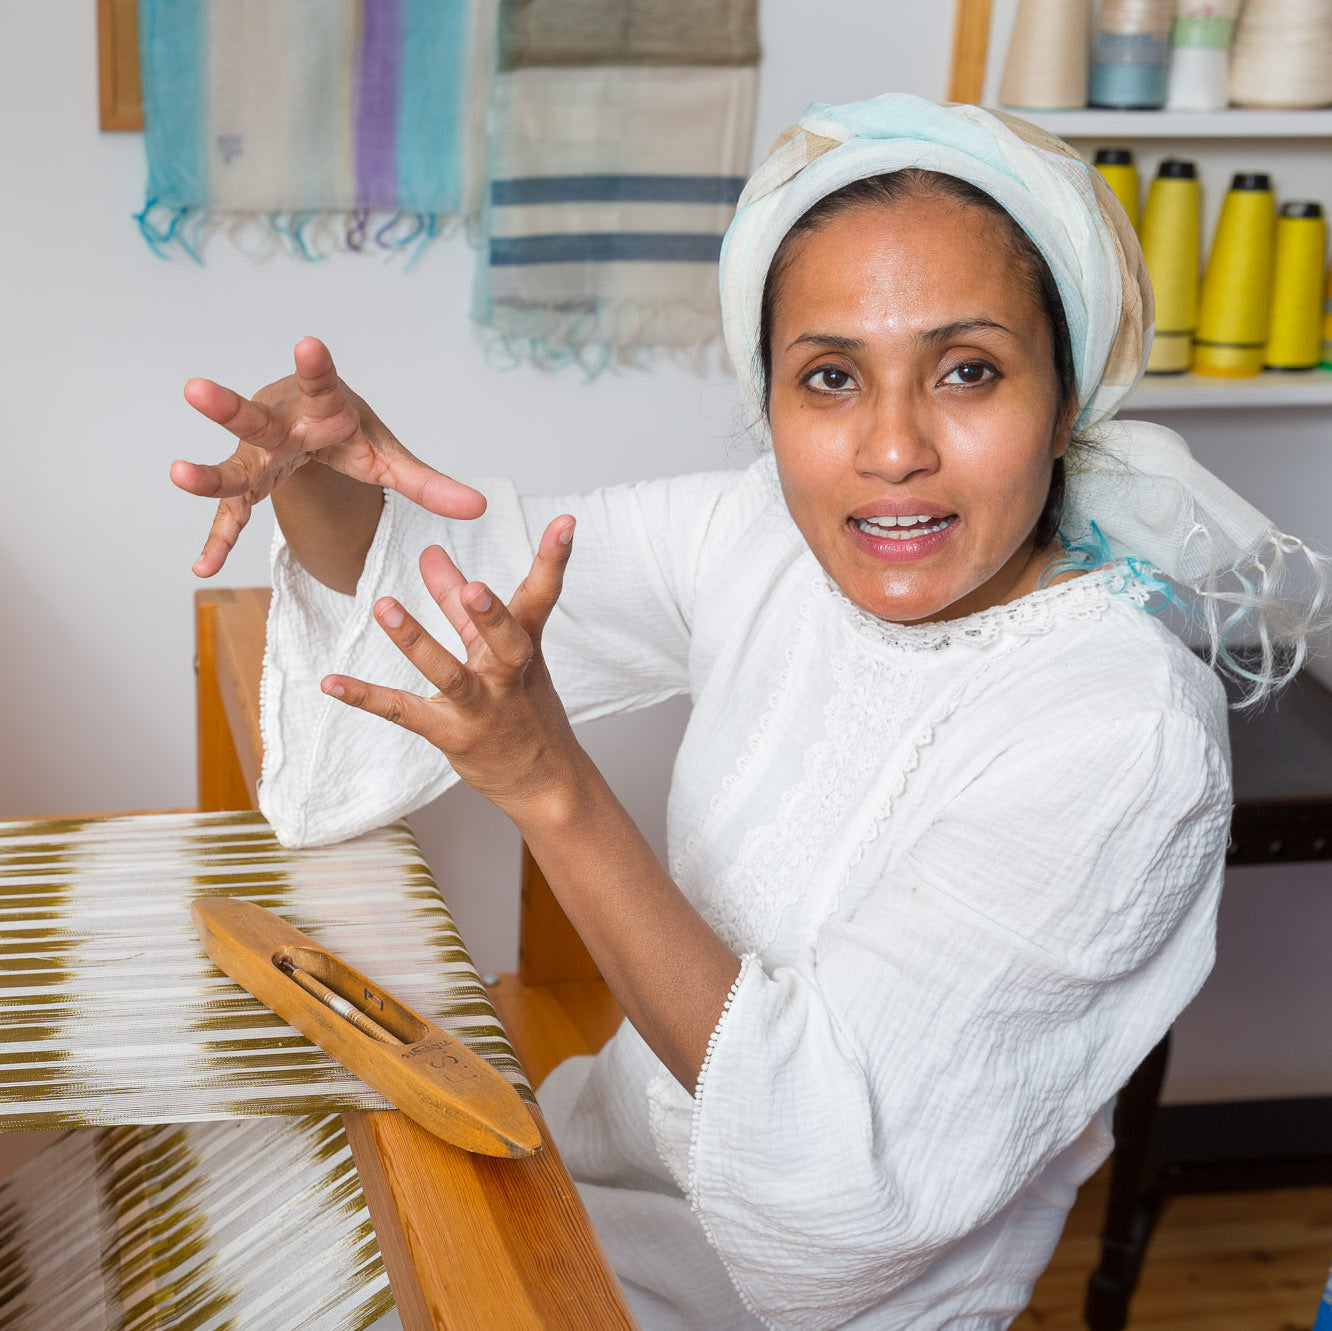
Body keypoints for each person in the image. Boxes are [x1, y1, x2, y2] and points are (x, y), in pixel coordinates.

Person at [171, 94, 1327, 1329]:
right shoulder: (762, 537)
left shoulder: (1121, 732)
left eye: (968, 371)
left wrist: (553, 788)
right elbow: (456, 602)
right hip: (577, 1189)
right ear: (769, 399)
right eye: (830, 376)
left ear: (1065, 395)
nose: (892, 447)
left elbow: (832, 1190)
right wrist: (316, 472)